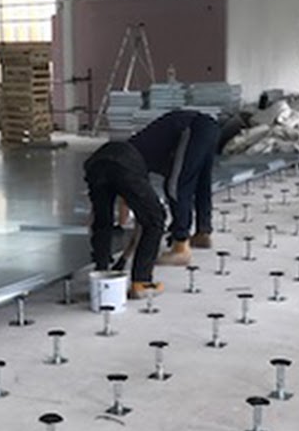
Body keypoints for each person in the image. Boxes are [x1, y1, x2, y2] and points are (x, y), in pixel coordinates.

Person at [130, 109, 221, 267]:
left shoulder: (128, 157)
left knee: (175, 186)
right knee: (201, 182)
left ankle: (181, 247)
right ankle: (203, 232)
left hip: (192, 128)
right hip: (208, 126)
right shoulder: (136, 147)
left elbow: (129, 196)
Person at [84, 139, 166, 299]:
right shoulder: (140, 169)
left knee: (102, 220)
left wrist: (122, 260)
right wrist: (125, 259)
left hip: (95, 165)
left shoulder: (138, 151)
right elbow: (141, 224)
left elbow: (98, 217)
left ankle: (101, 274)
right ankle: (141, 282)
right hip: (123, 165)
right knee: (155, 220)